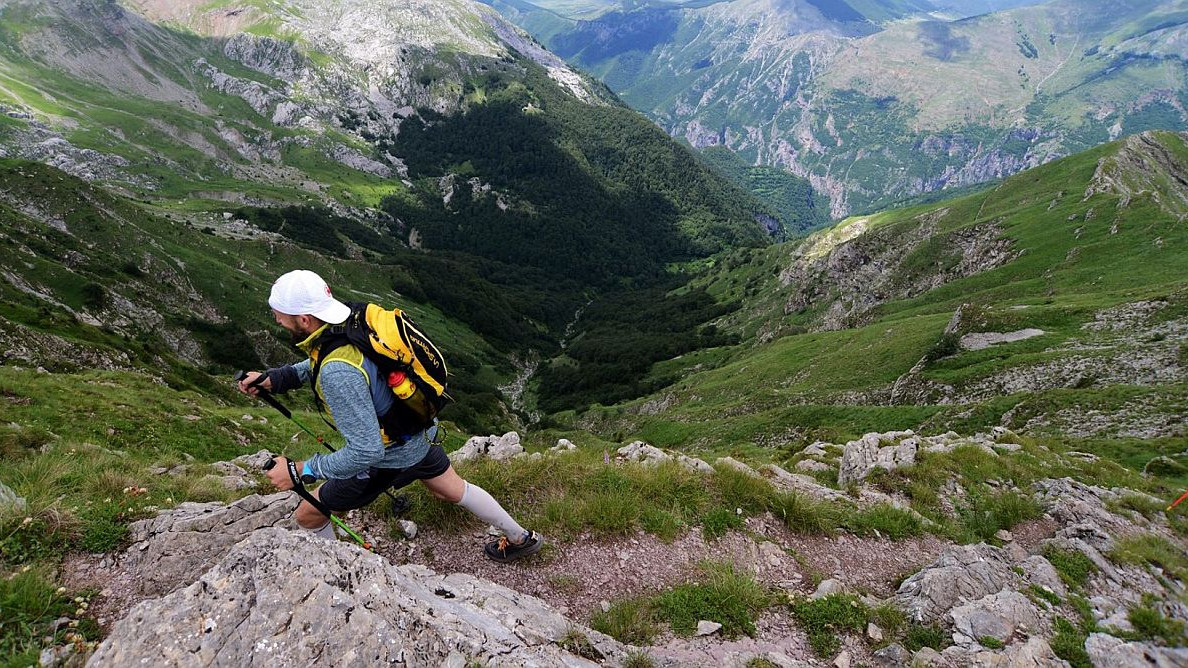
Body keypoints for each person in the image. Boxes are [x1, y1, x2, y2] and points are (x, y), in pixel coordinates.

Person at [237, 269, 542, 562]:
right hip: (418, 432)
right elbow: (332, 359)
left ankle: (340, 578)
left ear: (304, 319)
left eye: (280, 315)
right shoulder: (351, 321)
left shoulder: (337, 372)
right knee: (453, 489)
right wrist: (277, 379)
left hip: (386, 459)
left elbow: (366, 450)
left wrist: (300, 470)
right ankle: (521, 538)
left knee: (309, 513)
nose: (276, 320)